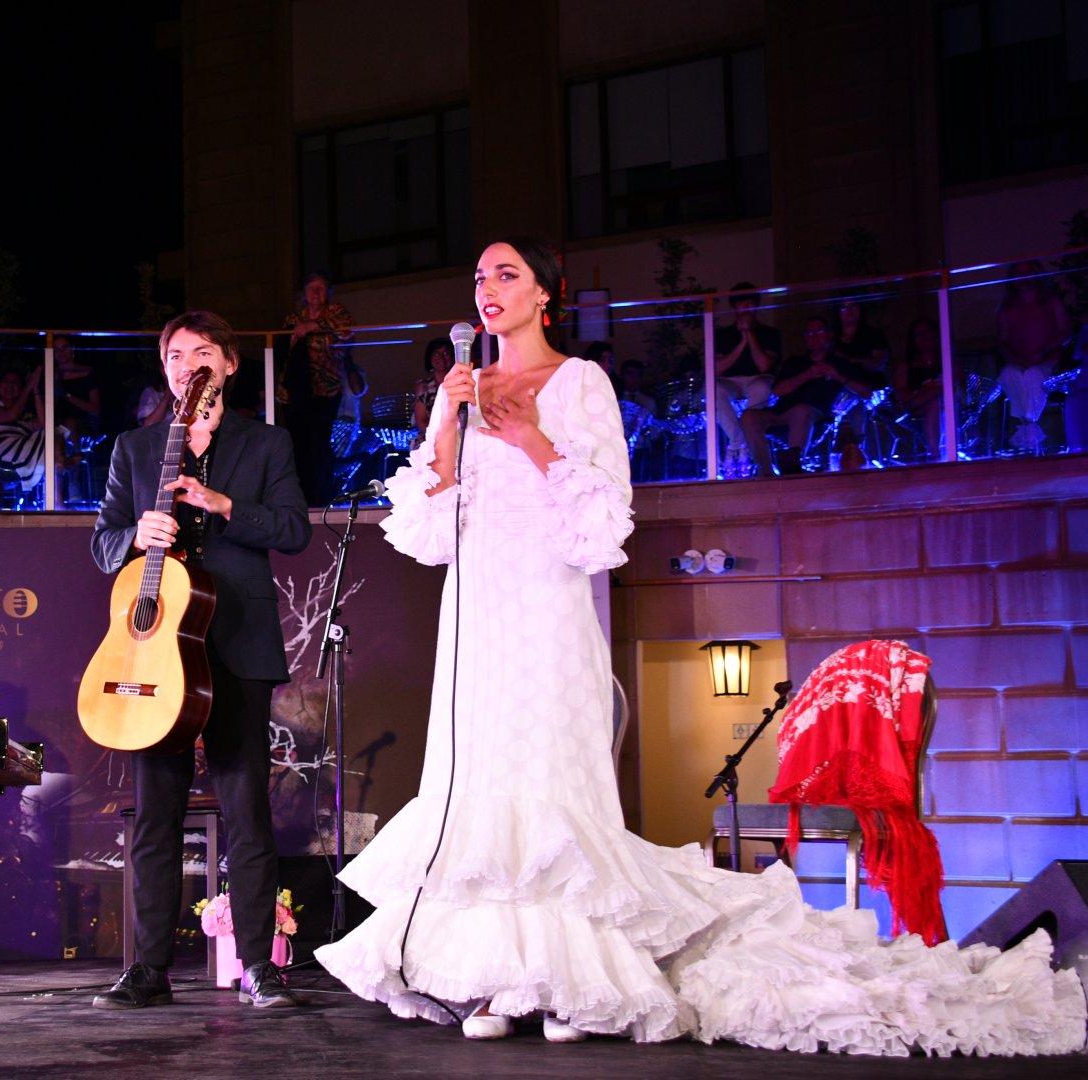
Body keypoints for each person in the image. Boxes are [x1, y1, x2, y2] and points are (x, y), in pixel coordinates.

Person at [312, 240, 1084, 1055]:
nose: (487, 289)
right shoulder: (462, 390)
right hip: (474, 616)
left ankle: (576, 976)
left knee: (544, 775)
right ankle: (501, 974)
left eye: (507, 274)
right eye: (478, 276)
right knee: (485, 778)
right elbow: (429, 534)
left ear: (547, 295)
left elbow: (604, 521)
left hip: (544, 611)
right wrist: (446, 423)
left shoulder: (581, 383)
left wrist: (533, 438)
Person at [90, 310, 312, 1011]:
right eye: (176, 353)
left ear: (230, 364)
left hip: (237, 647)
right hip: (155, 656)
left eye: (203, 351)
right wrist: (133, 534)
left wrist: (221, 504)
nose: (188, 363)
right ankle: (147, 969)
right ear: (165, 370)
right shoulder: (134, 448)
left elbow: (294, 530)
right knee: (155, 816)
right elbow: (100, 545)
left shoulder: (266, 443)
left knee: (246, 810)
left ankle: (258, 966)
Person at [741, 316, 873, 477]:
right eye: (809, 333)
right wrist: (808, 374)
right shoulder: (795, 363)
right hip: (781, 412)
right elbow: (777, 391)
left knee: (801, 410)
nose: (814, 337)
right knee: (749, 416)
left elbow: (866, 393)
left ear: (829, 335)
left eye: (818, 332)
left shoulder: (840, 363)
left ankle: (792, 467)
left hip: (816, 415)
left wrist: (837, 375)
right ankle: (765, 471)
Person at [281, 271, 355, 505]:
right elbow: (281, 346)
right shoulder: (294, 317)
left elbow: (347, 332)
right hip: (294, 392)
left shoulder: (336, 313)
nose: (315, 293)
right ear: (303, 292)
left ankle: (322, 496)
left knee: (320, 444)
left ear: (328, 292)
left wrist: (312, 326)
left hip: (326, 390)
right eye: (311, 288)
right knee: (298, 444)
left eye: (321, 288)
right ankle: (300, 497)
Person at [997, 260, 1072, 451]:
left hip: (1049, 361)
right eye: (1019, 273)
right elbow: (1003, 342)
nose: (1024, 278)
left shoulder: (1051, 301)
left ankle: (1028, 430)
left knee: (1033, 376)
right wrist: (1018, 359)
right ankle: (1030, 430)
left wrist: (1043, 352)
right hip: (1020, 361)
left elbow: (1065, 331)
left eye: (1028, 272)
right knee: (1008, 374)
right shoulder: (1007, 308)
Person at [712, 283, 782, 476]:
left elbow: (764, 366)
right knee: (714, 390)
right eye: (742, 303)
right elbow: (717, 368)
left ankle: (741, 445)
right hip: (730, 381)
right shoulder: (723, 335)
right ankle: (740, 442)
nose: (746, 307)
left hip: (757, 378)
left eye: (751, 303)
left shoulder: (770, 333)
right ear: (734, 306)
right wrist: (741, 341)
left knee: (762, 387)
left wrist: (749, 334)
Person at [0, 366, 45, 495]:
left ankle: (58, 495)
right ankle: (63, 464)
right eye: (6, 381)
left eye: (15, 382)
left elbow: (43, 423)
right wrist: (28, 387)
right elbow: (11, 415)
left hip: (22, 452)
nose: (10, 385)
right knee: (49, 441)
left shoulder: (25, 416)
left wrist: (35, 391)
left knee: (52, 435)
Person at [891, 317, 945, 458]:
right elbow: (900, 392)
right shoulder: (906, 366)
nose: (923, 337)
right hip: (916, 409)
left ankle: (934, 452)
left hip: (947, 405)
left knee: (936, 395)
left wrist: (929, 391)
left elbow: (959, 385)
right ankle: (934, 452)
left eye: (926, 332)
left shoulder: (947, 362)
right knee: (932, 399)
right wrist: (921, 392)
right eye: (918, 335)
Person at [412, 336, 456, 432]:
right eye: (436, 354)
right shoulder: (423, 387)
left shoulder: (460, 382)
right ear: (430, 358)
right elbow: (420, 420)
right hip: (431, 436)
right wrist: (437, 437)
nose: (441, 358)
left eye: (446, 353)